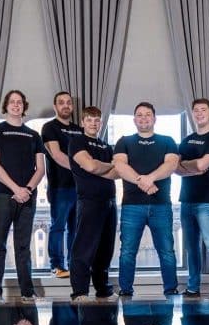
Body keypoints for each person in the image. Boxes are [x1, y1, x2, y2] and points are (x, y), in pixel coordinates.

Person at [113, 102, 179, 297]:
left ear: (154, 118)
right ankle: (125, 290)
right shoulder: (124, 141)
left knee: (167, 251)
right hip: (132, 206)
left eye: (148, 114)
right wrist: (142, 181)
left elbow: (171, 165)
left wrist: (150, 178)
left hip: (161, 206)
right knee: (127, 251)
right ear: (134, 120)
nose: (144, 118)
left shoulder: (167, 141)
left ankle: (171, 289)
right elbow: (120, 166)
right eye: (140, 115)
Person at [0, 89, 45, 302]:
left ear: (24, 106)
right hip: (2, 196)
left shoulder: (34, 135)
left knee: (23, 246)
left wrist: (27, 190)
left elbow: (40, 169)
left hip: (27, 197)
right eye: (12, 102)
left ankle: (27, 291)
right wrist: (15, 189)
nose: (16, 105)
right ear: (6, 106)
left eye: (19, 102)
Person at [177, 98, 209, 299]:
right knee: (191, 247)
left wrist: (188, 166)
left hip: (207, 200)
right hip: (186, 200)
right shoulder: (186, 140)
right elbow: (175, 168)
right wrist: (193, 167)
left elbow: (202, 165)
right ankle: (193, 287)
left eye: (203, 110)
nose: (199, 113)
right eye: (196, 110)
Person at [68, 105, 118, 301]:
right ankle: (79, 291)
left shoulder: (106, 146)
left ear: (101, 123)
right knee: (84, 248)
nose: (93, 123)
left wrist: (101, 167)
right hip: (89, 201)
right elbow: (90, 165)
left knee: (105, 249)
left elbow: (117, 173)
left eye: (97, 120)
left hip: (109, 201)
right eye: (89, 120)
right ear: (82, 122)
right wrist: (108, 166)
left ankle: (103, 289)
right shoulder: (77, 141)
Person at [41, 91, 83, 279]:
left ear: (72, 107)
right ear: (55, 106)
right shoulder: (49, 127)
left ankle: (74, 265)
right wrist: (81, 169)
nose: (65, 105)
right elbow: (57, 155)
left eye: (68, 103)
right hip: (60, 187)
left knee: (76, 228)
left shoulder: (79, 129)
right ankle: (57, 265)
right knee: (58, 227)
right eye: (61, 102)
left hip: (80, 187)